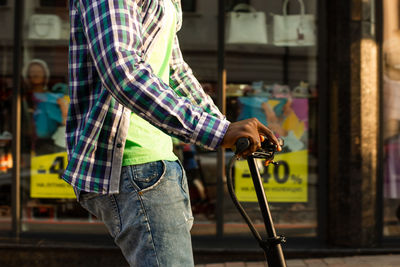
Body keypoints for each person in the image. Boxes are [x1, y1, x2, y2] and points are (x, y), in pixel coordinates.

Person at [64, 1, 281, 266]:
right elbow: (123, 71)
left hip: (156, 162)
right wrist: (217, 131)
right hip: (132, 161)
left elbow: (175, 72)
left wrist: (227, 128)